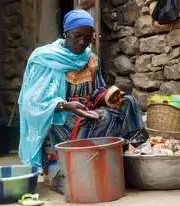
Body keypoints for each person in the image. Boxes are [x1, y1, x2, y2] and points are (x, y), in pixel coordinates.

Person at [18, 9, 144, 192]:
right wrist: (65, 105)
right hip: (58, 116)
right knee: (99, 119)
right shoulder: (44, 58)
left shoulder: (90, 59)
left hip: (87, 109)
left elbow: (97, 90)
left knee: (129, 102)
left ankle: (135, 157)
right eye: (77, 36)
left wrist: (107, 96)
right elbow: (32, 101)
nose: (82, 42)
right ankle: (72, 174)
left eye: (87, 37)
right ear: (66, 33)